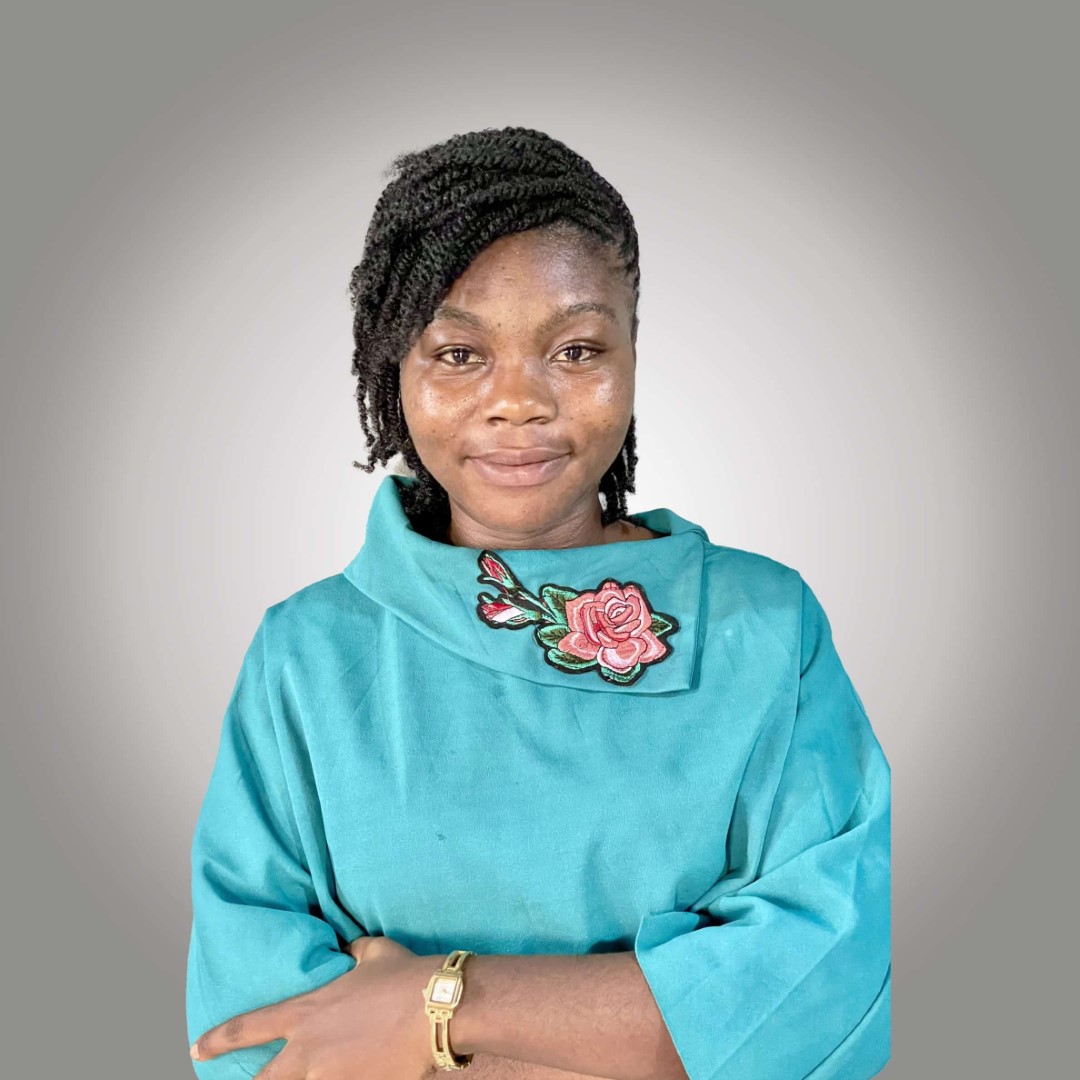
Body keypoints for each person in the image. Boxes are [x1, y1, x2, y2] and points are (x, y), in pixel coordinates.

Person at [185, 126, 891, 1080]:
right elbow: (254, 1037)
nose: (518, 399)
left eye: (575, 348)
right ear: (394, 369)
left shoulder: (766, 630)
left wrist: (429, 1008)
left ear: (633, 356)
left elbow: (828, 988)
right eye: (459, 352)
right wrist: (650, 1028)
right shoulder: (305, 657)